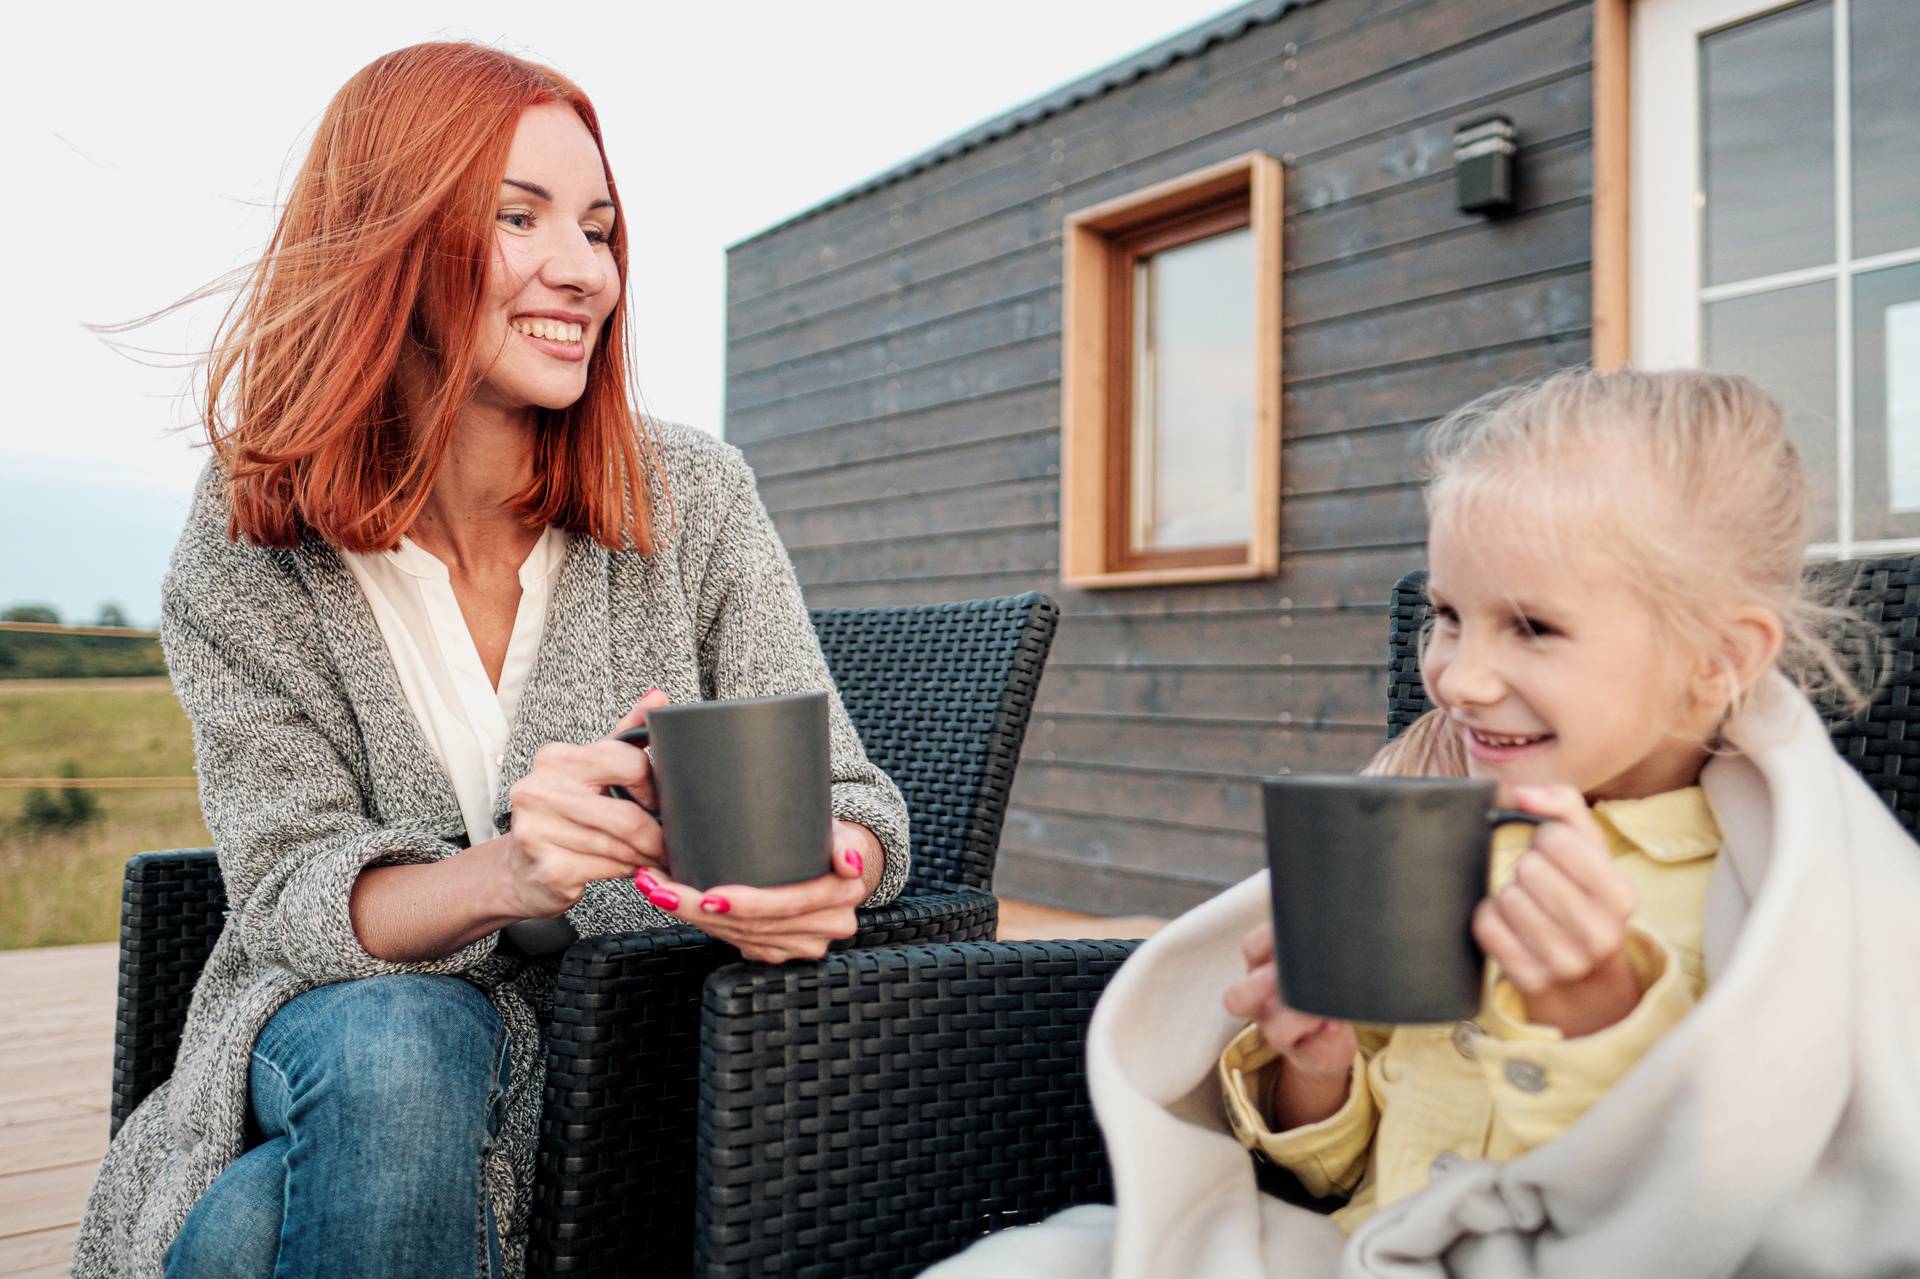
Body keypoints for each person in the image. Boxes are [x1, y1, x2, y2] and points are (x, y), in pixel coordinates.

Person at [71, 42, 910, 1279]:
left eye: (600, 228)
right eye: (520, 218)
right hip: (335, 1039)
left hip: (635, 1059)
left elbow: (855, 806)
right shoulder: (250, 542)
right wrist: (514, 870)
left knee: (246, 1237)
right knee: (404, 1036)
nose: (584, 272)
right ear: (385, 237)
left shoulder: (697, 500)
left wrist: (825, 875)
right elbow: (294, 891)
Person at [926, 368, 1920, 1278]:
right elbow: (1348, 1179)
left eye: (1532, 627)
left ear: (1717, 656)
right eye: (1449, 613)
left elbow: (1725, 1206)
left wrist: (1596, 1008)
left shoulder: (1775, 907)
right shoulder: (1433, 827)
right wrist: (1317, 1074)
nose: (1456, 676)